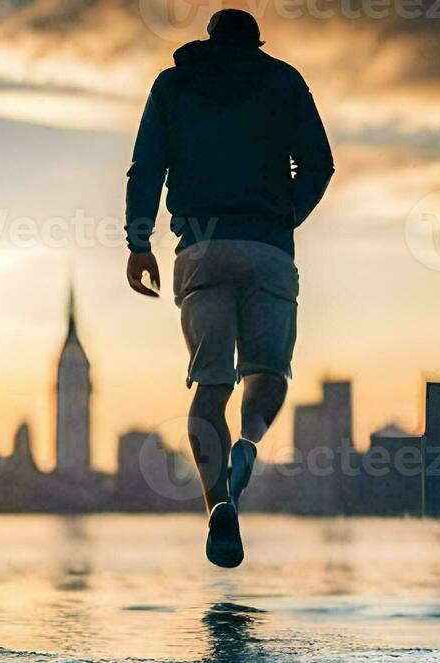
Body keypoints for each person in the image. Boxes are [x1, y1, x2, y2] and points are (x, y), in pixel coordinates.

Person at [124, 9, 334, 568]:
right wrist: (285, 217)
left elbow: (146, 167)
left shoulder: (174, 83)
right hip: (267, 248)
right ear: (256, 42)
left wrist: (138, 242)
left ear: (208, 41)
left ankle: (217, 500)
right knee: (267, 374)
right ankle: (247, 448)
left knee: (210, 385)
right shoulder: (282, 79)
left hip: (200, 248)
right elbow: (320, 164)